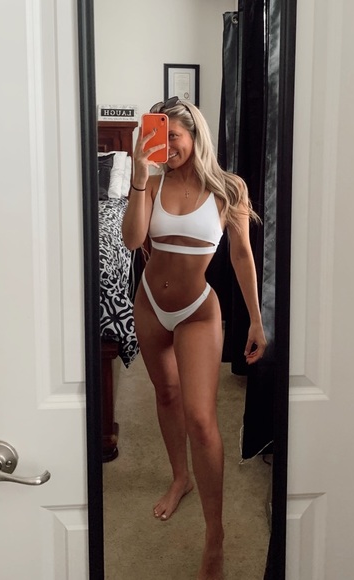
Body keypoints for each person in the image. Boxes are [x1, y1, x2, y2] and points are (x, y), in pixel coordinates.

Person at [122, 97, 267, 580]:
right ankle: (179, 477)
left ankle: (215, 535)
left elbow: (242, 256)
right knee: (165, 394)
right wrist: (138, 175)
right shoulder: (152, 182)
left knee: (202, 420)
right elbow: (132, 240)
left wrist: (255, 319)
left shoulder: (228, 189)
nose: (167, 147)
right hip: (149, 303)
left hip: (197, 312)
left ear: (194, 135)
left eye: (174, 137)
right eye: (157, 137)